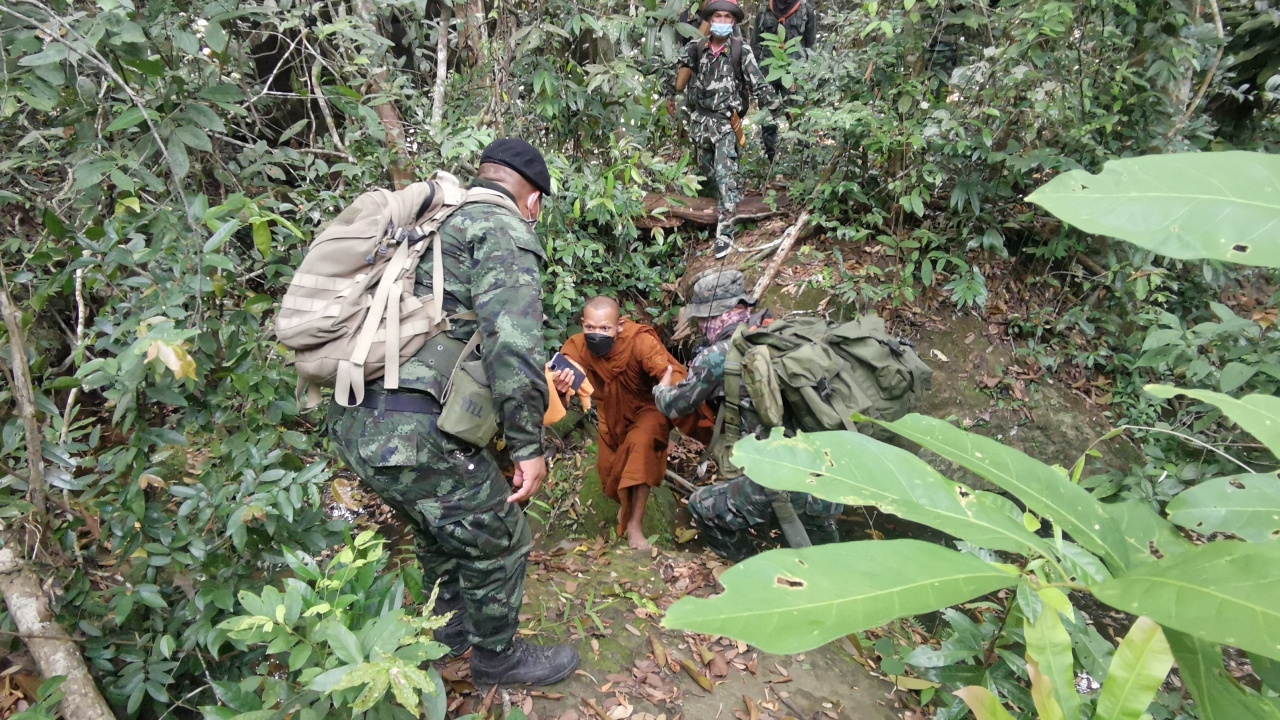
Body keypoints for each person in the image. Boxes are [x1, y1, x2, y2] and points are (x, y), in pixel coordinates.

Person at [327, 138, 579, 687]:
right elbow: (514, 349)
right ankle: (497, 661)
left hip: (356, 417)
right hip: (412, 429)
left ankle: (449, 631)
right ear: (533, 200)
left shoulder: (431, 224)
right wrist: (527, 448)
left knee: (438, 527)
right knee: (501, 536)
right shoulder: (501, 228)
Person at [652, 270, 842, 561]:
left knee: (703, 507)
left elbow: (675, 406)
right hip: (832, 475)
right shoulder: (779, 334)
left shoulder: (718, 355)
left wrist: (661, 389)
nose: (699, 327)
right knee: (828, 557)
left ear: (712, 316)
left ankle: (748, 571)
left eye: (701, 320)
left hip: (784, 483)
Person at [553, 297, 713, 550]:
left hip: (649, 408)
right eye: (590, 327)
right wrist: (560, 386)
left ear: (619, 325)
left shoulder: (639, 341)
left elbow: (668, 373)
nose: (596, 334)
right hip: (611, 414)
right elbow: (559, 380)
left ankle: (635, 526)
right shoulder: (577, 347)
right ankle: (625, 509)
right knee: (609, 471)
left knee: (640, 452)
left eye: (605, 328)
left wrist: (669, 387)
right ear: (582, 324)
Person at [669, 0, 780, 260]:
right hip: (701, 124)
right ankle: (717, 211)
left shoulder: (741, 50)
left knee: (724, 177)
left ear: (733, 22)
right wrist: (668, 96)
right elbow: (674, 71)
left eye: (727, 17)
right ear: (710, 20)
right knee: (707, 174)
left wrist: (779, 110)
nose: (721, 21)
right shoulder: (697, 48)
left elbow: (759, 85)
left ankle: (725, 232)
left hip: (726, 125)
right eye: (717, 16)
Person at [751, 0, 818, 162]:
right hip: (768, 72)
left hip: (795, 72)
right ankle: (771, 159)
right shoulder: (764, 10)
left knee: (798, 116)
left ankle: (802, 160)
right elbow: (755, 44)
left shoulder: (806, 10)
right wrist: (754, 75)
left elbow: (810, 45)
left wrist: (809, 74)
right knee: (767, 118)